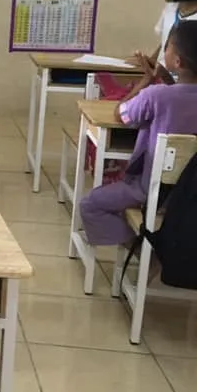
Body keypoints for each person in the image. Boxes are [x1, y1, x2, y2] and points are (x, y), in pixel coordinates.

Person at [80, 22, 197, 247]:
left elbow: (120, 113)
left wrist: (146, 80)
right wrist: (167, 79)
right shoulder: (163, 93)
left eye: (168, 47)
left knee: (91, 204)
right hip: (190, 194)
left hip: (153, 191)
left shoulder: (156, 95)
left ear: (177, 61)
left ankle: (140, 250)